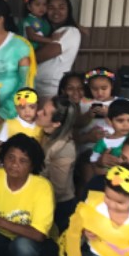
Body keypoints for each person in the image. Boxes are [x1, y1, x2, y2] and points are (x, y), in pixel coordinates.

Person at [37, 96, 78, 232]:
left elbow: (58, 189)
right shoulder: (45, 133)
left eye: (44, 113)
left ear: (56, 124)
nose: (38, 112)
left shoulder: (64, 149)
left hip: (58, 207)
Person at [34, 0, 82, 99]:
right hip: (37, 87)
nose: (56, 12)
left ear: (68, 10)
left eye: (61, 8)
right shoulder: (47, 32)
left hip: (52, 89)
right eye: (51, 8)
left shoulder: (70, 31)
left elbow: (39, 56)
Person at [76, 68, 118, 153]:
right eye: (94, 89)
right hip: (86, 148)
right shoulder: (84, 102)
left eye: (104, 88)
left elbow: (124, 127)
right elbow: (77, 124)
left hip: (110, 150)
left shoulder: (120, 103)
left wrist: (109, 114)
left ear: (112, 86)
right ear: (89, 87)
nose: (99, 92)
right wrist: (88, 115)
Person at [89, 99, 129, 166]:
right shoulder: (102, 143)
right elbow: (93, 160)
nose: (126, 125)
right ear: (110, 121)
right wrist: (100, 161)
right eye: (120, 120)